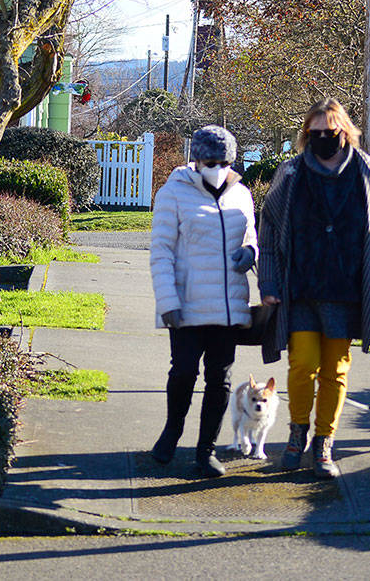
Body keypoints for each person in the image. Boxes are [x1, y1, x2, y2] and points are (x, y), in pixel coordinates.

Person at [256, 99, 370, 478]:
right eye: (314, 133)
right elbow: (268, 229)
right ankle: (298, 435)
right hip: (300, 288)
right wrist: (267, 282)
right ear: (305, 135)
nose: (322, 139)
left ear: (344, 132)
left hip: (347, 289)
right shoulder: (291, 173)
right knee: (302, 367)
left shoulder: (369, 172)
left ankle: (324, 443)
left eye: (329, 132)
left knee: (335, 371)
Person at [148, 125, 258, 478]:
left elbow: (251, 235)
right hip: (186, 302)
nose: (216, 166)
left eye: (223, 161)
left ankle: (205, 450)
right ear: (195, 159)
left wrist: (250, 251)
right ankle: (172, 430)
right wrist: (167, 300)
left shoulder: (241, 194)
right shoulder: (174, 193)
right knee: (182, 373)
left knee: (220, 380)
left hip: (228, 304)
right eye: (209, 160)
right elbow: (161, 251)